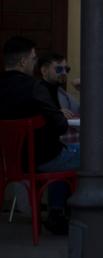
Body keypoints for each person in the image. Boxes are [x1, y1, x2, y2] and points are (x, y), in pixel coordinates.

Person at [0, 36, 80, 235]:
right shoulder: (35, 88)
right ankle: (77, 214)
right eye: (34, 59)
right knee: (96, 154)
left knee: (65, 153)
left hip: (7, 163)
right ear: (23, 61)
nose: (34, 63)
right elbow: (61, 126)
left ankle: (57, 212)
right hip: (40, 160)